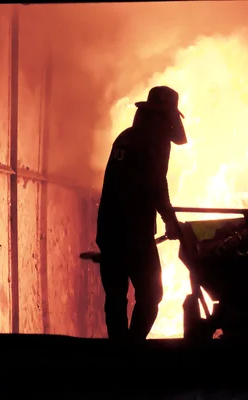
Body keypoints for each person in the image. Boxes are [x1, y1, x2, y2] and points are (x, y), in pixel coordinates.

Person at [96, 86, 188, 341]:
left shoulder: (126, 137)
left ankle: (119, 351)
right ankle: (133, 349)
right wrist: (170, 220)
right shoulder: (153, 140)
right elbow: (157, 184)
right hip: (134, 232)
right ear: (163, 116)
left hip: (109, 228)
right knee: (151, 295)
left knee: (115, 295)